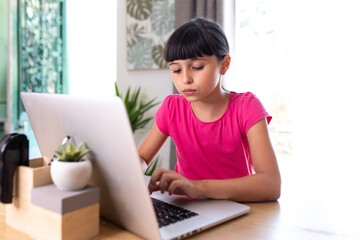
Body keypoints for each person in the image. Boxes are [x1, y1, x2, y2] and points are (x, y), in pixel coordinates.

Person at [138, 17, 281, 202]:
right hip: (187, 210)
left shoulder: (247, 108)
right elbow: (141, 157)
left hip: (237, 210)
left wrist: (198, 187)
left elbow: (271, 185)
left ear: (225, 65)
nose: (185, 79)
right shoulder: (172, 108)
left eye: (197, 67)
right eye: (176, 69)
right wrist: (134, 174)